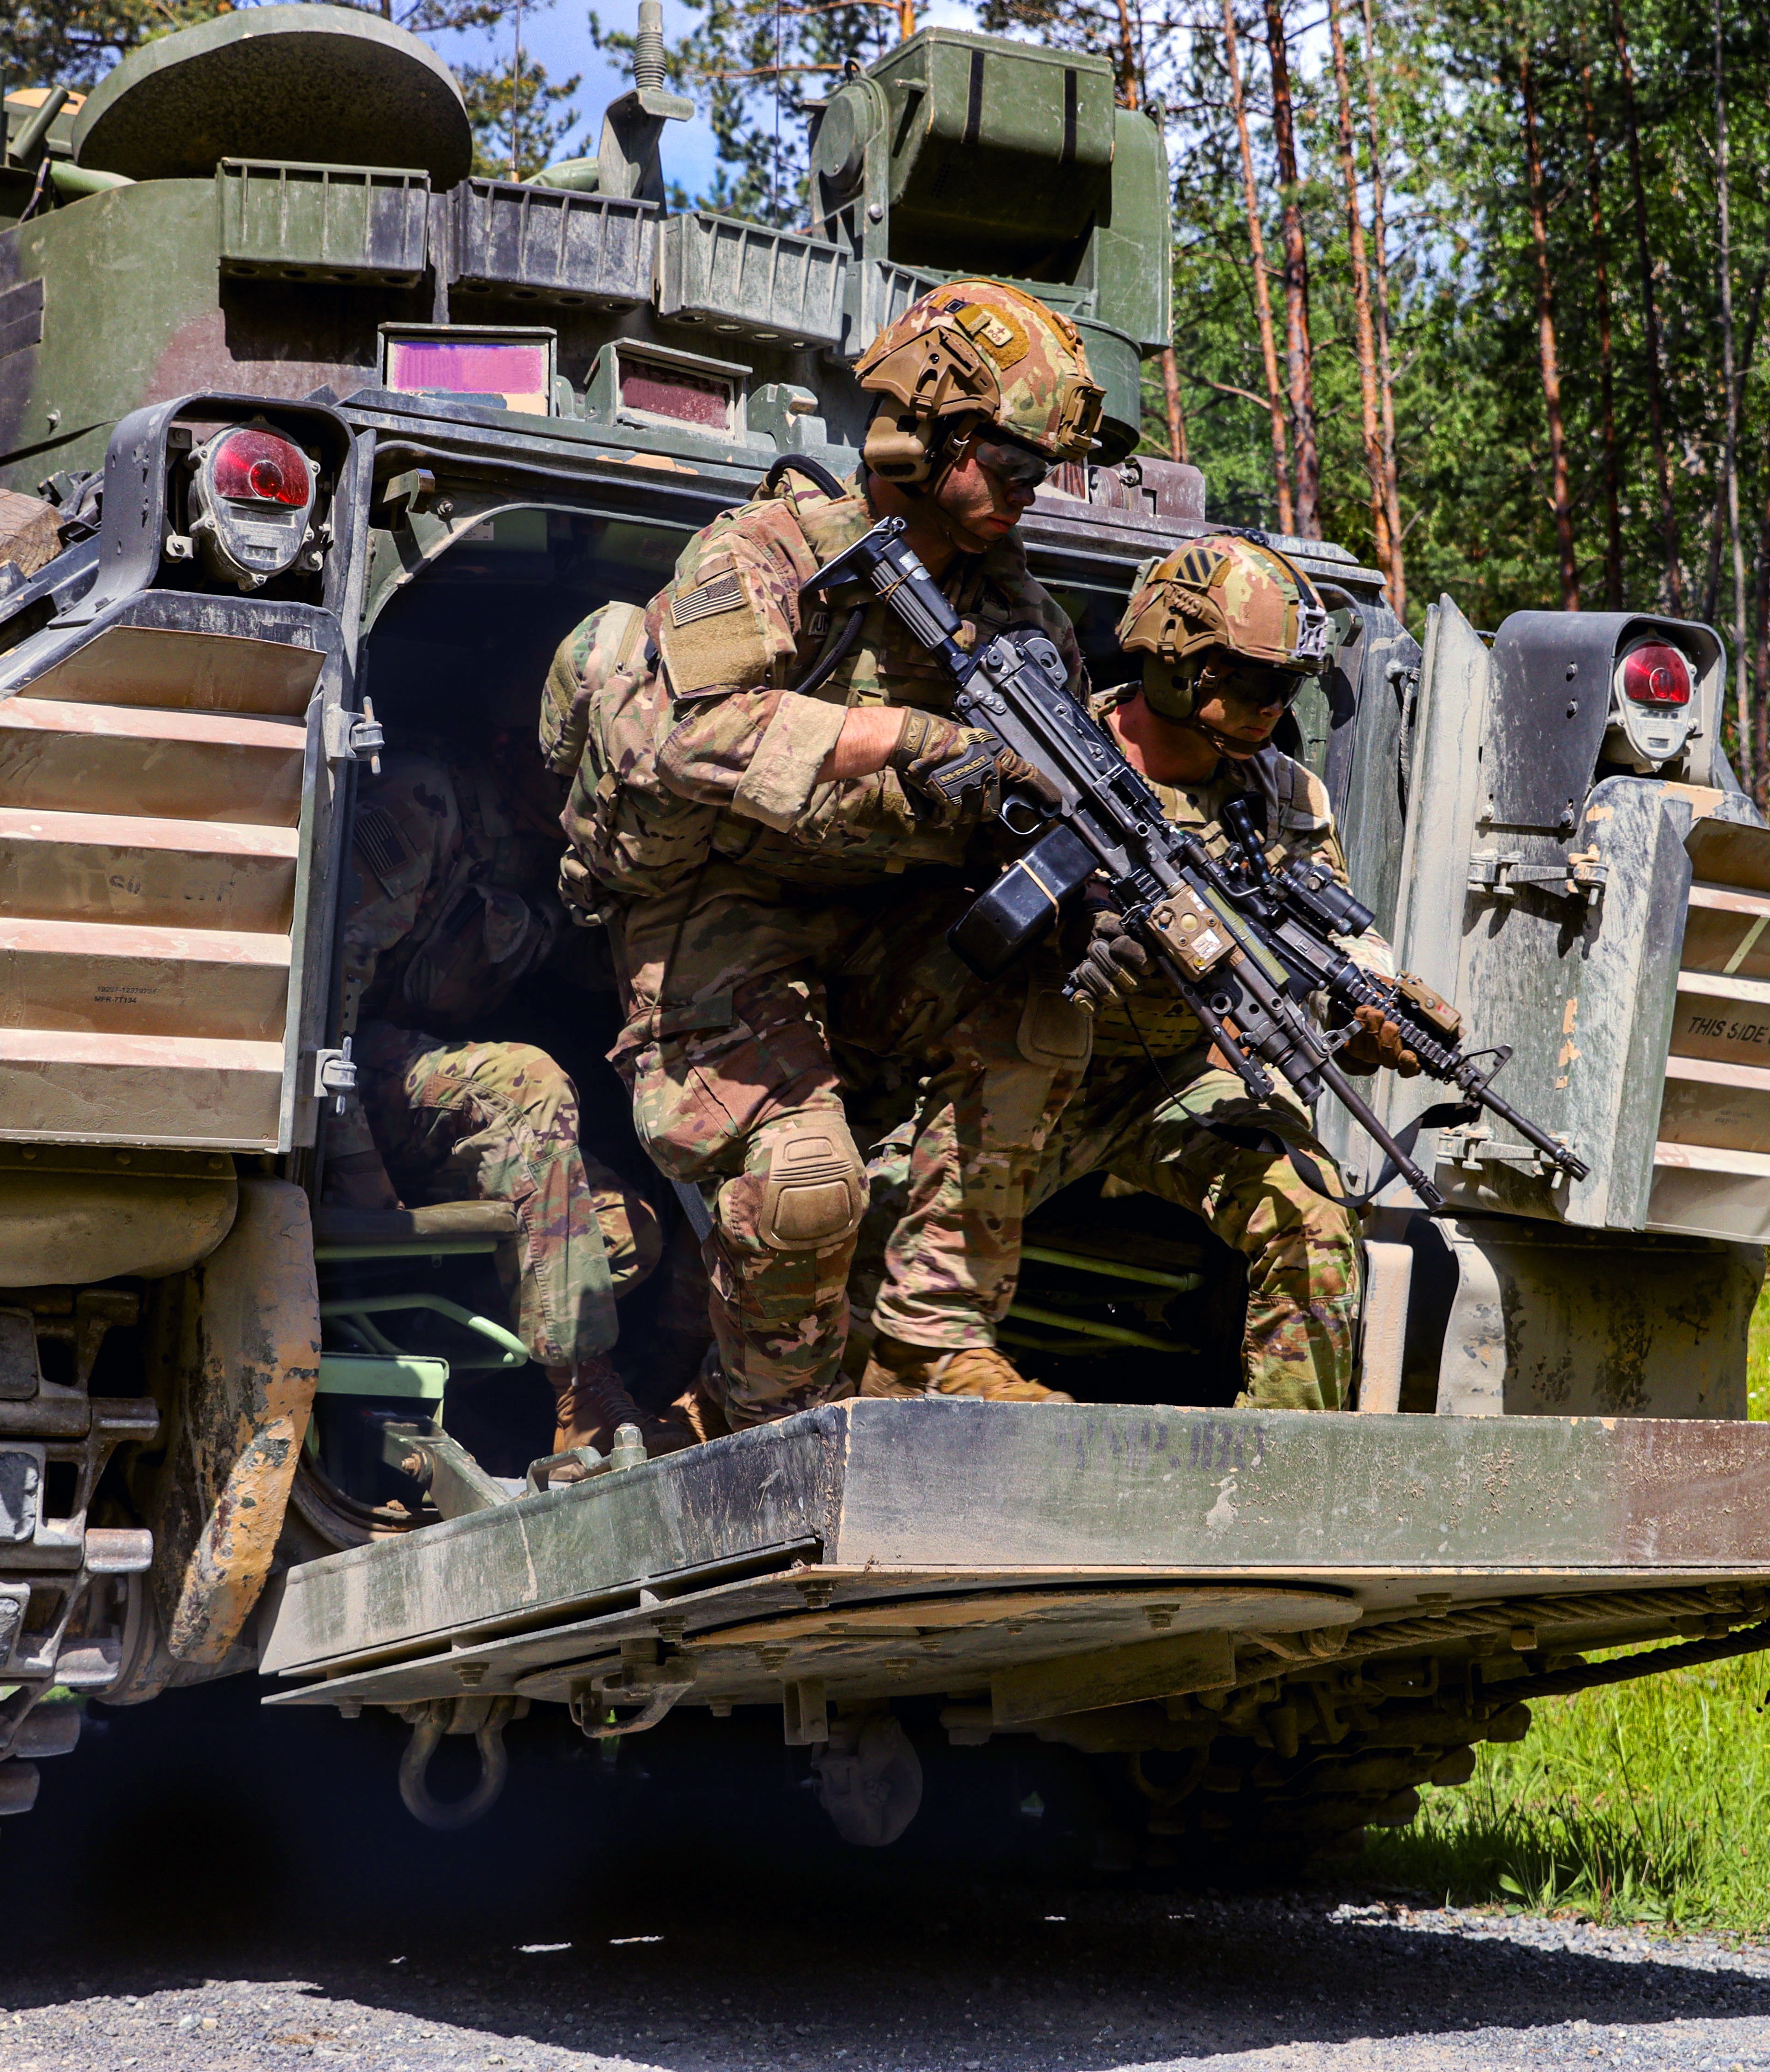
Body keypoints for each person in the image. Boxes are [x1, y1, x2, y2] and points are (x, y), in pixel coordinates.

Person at [553, 278, 1132, 1439]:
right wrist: (919, 741)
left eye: (1044, 471)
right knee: (809, 1186)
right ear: (932, 436)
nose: (1031, 491)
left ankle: (932, 1344)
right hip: (717, 912)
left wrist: (1098, 888)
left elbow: (1054, 803)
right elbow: (688, 736)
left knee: (1043, 1017)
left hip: (877, 928)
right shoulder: (770, 552)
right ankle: (758, 1430)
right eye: (1014, 462)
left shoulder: (1026, 621)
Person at [846, 532, 1416, 1412]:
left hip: (1178, 1084)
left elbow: (1331, 929)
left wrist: (1375, 1000)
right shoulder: (1046, 752)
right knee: (846, 1227)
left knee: (1313, 1216)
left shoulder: (1289, 797)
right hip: (1023, 1073)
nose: (1273, 706)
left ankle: (1280, 1486)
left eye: (1288, 687)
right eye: (1254, 679)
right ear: (1179, 665)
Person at [322, 742, 656, 1454]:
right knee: (528, 1081)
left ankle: (416, 1373)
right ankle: (582, 1390)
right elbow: (319, 1004)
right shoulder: (427, 806)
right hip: (343, 1092)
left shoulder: (572, 854)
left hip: (434, 1116)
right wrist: (357, 1173)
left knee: (626, 1235)